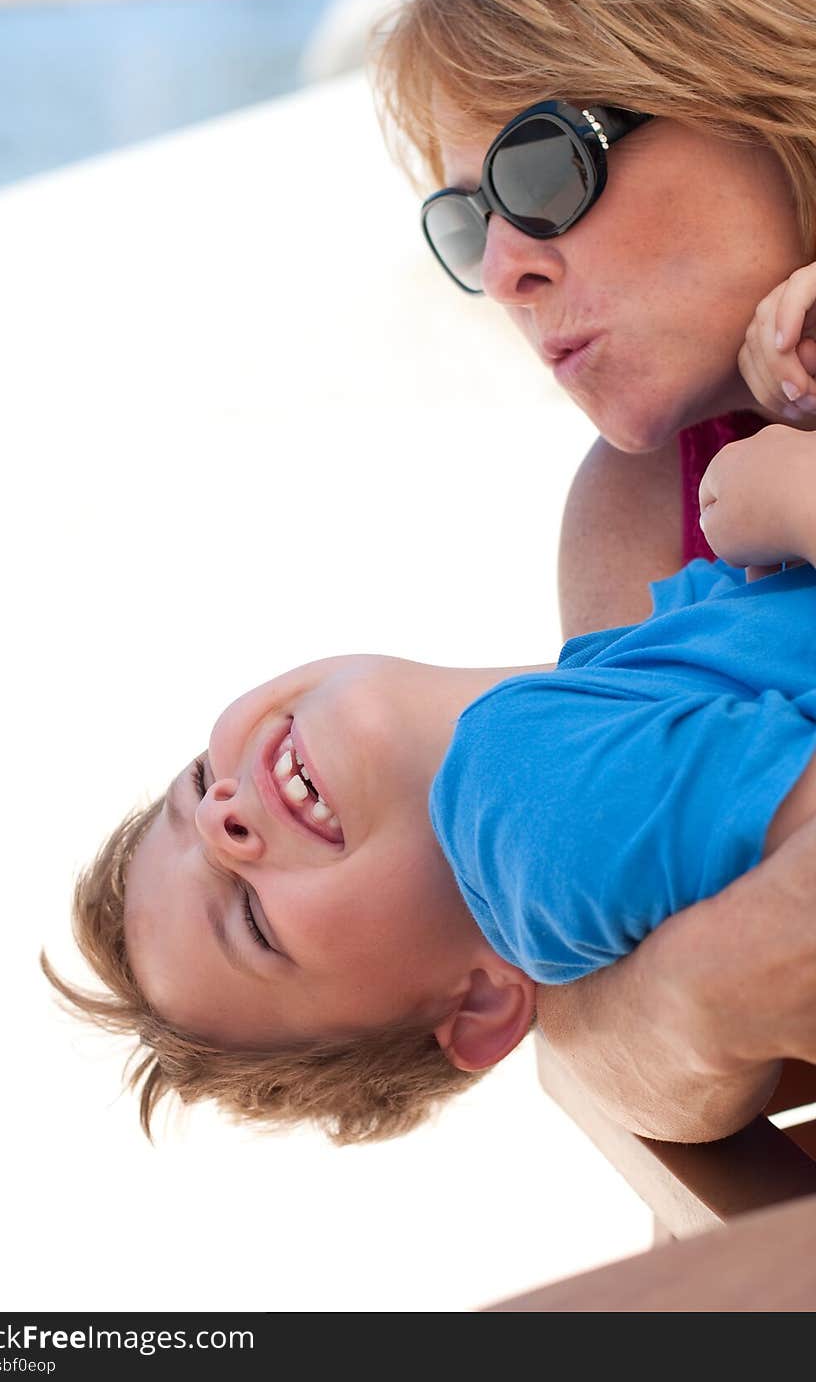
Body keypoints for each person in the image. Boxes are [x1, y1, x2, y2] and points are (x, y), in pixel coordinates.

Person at [43, 413, 816, 1147]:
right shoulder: (521, 790)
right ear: (479, 1004)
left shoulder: (668, 637)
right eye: (249, 920)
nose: (221, 819)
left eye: (199, 780)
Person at [368, 0, 816, 1140]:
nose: (508, 269)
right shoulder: (636, 506)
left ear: (746, 86)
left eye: (541, 169)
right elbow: (611, 1040)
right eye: (470, 223)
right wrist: (710, 986)